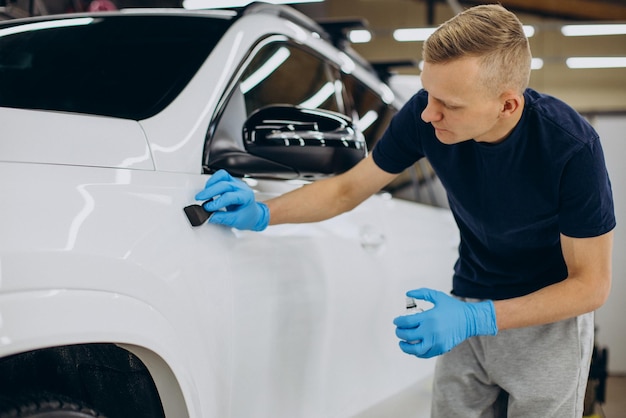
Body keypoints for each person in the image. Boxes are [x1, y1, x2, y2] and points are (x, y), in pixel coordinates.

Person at [194, 4, 615, 417]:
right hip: (468, 295)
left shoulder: (570, 147)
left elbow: (590, 286)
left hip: (546, 320)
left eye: (449, 104)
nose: (429, 112)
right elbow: (347, 189)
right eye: (428, 92)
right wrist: (264, 212)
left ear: (507, 105)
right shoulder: (424, 114)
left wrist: (477, 318)